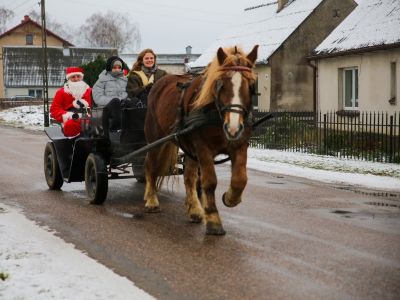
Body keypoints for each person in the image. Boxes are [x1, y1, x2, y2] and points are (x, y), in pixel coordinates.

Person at [50, 67, 92, 137]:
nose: (76, 79)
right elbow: (54, 109)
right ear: (68, 78)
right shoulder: (61, 92)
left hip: (88, 118)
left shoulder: (90, 91)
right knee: (71, 124)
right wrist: (68, 115)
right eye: (73, 77)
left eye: (78, 76)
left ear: (81, 77)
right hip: (72, 119)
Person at [92, 56, 129, 132]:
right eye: (114, 67)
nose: (117, 70)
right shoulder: (102, 80)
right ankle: (115, 128)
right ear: (109, 68)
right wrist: (115, 100)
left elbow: (128, 94)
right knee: (115, 101)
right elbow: (97, 98)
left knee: (133, 101)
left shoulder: (125, 80)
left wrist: (124, 100)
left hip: (121, 107)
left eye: (119, 67)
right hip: (106, 109)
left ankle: (137, 130)